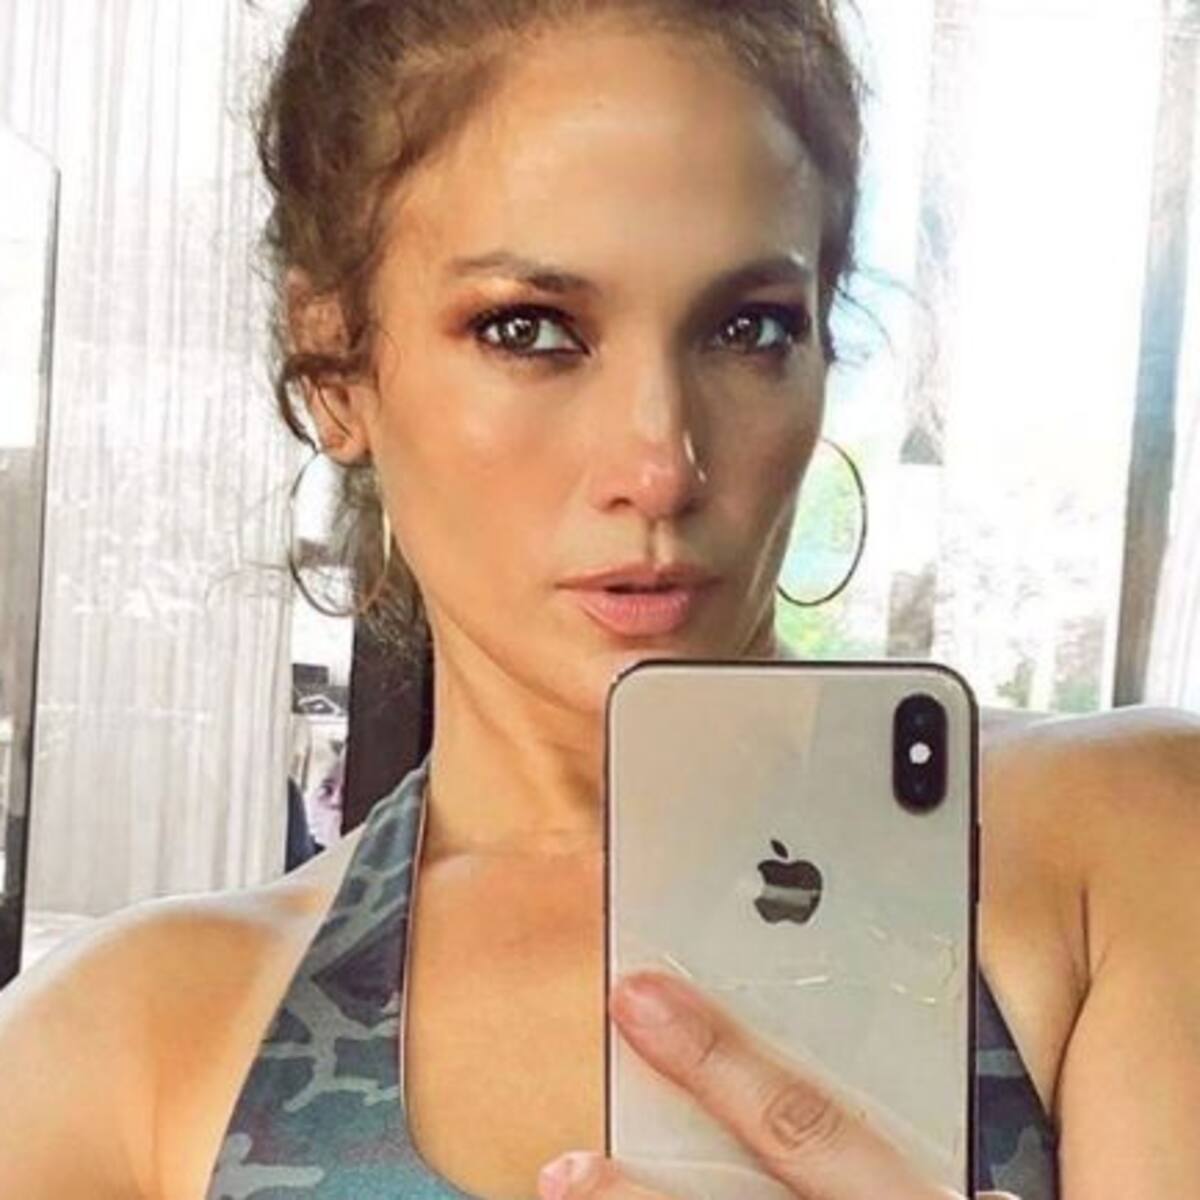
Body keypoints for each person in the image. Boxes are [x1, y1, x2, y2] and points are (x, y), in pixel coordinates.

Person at [1, 2, 1198, 1197]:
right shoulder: (136, 1045)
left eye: (749, 328)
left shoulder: (1130, 847)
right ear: (335, 366)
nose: (662, 463)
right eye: (529, 329)